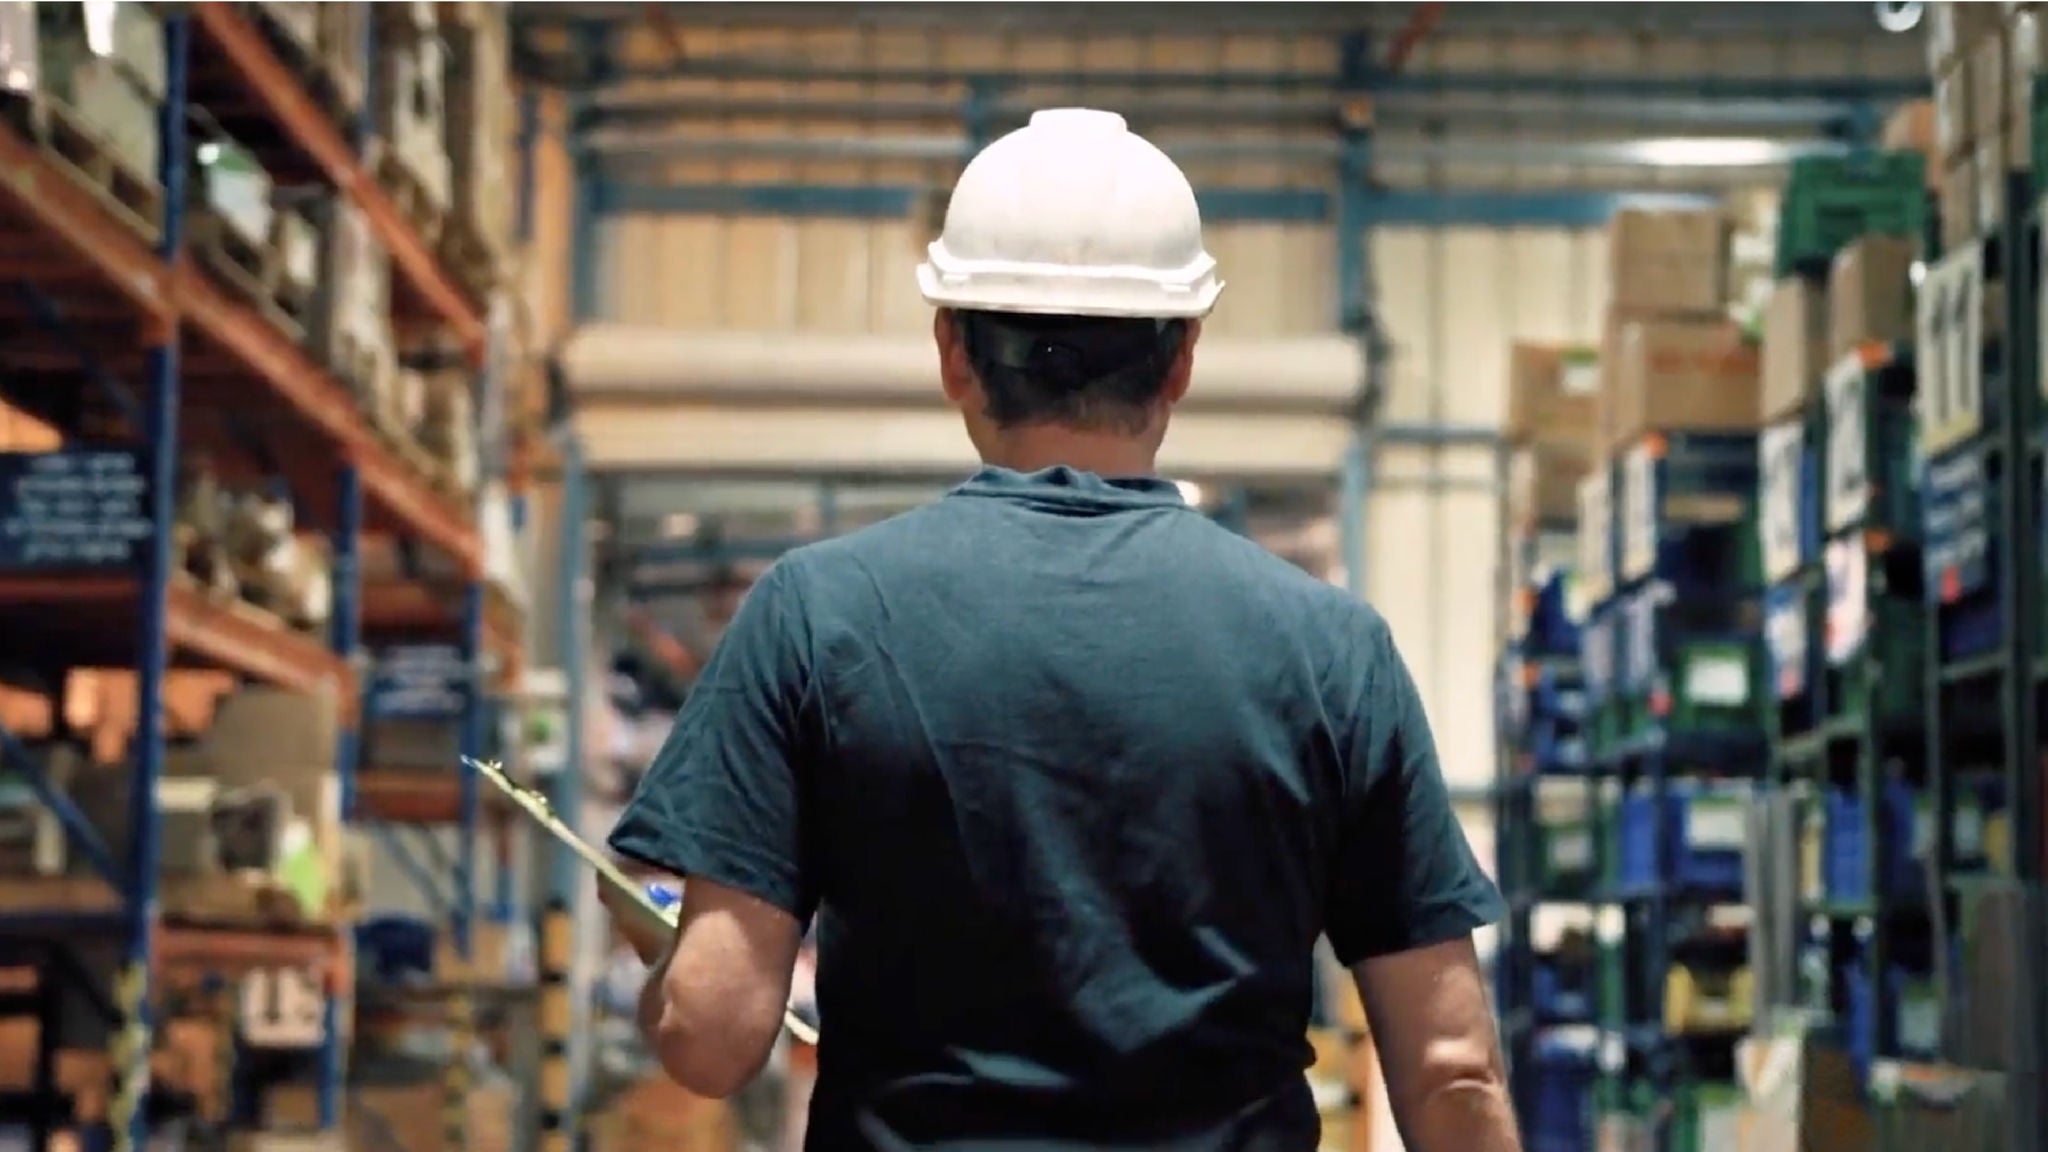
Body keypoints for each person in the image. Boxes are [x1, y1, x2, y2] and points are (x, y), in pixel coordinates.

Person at [603, 108, 1518, 1152]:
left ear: (953, 352)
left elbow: (713, 1036)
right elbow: (1451, 1070)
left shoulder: (817, 615)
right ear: (1181, 358)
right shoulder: (1331, 650)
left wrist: (661, 949)